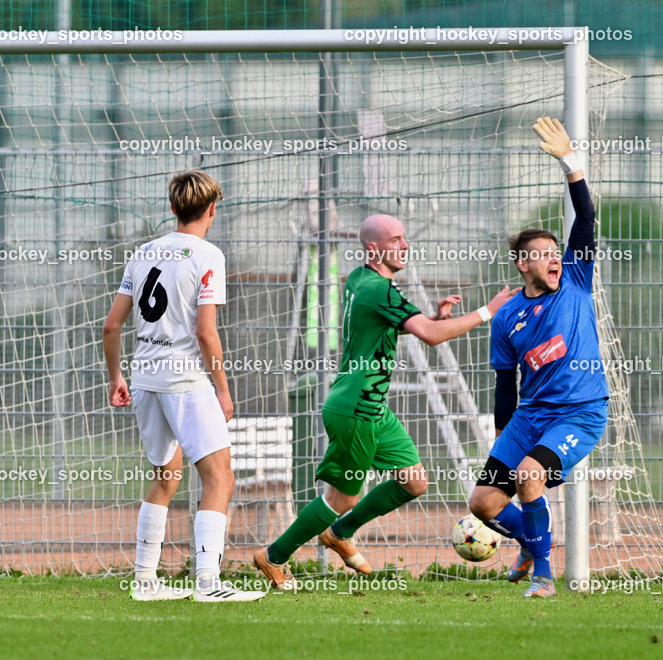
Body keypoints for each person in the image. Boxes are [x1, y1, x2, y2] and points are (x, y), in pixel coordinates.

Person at [255, 211, 518, 590]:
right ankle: (275, 556)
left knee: (414, 481)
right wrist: (486, 312)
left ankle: (340, 534)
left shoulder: (362, 278)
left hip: (371, 406)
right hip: (356, 408)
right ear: (374, 247)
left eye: (404, 238)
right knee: (340, 498)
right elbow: (429, 336)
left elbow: (398, 324)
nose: (405, 246)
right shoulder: (379, 289)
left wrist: (431, 315)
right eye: (395, 240)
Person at [103, 169, 265, 602]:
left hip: (145, 378)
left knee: (166, 475)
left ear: (173, 208)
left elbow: (110, 326)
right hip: (186, 380)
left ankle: (144, 580)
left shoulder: (143, 253)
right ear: (211, 209)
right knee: (220, 478)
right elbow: (207, 333)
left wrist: (117, 378)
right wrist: (223, 390)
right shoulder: (208, 255)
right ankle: (209, 583)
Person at [468, 117, 608, 598]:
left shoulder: (574, 281)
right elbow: (505, 384)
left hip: (580, 413)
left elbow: (586, 220)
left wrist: (571, 163)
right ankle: (531, 543)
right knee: (483, 503)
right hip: (531, 415)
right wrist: (503, 431)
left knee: (530, 476)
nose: (553, 258)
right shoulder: (507, 318)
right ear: (522, 264)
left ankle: (544, 576)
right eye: (542, 254)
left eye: (556, 252)